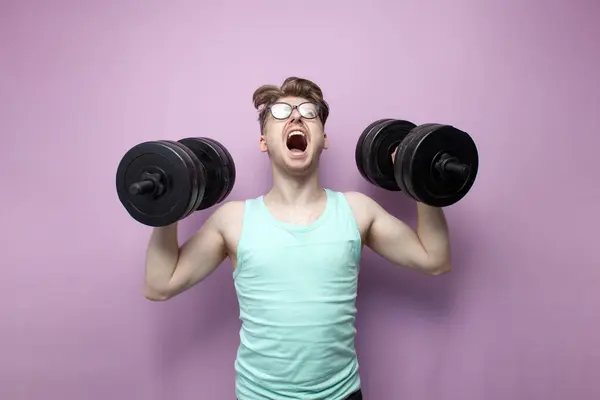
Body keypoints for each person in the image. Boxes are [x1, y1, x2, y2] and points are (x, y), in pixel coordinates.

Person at [143, 77, 452, 400]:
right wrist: (170, 204)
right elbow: (160, 284)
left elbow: (434, 259)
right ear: (264, 141)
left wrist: (418, 174)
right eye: (280, 112)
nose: (295, 117)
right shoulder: (234, 220)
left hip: (341, 395)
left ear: (323, 138)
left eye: (309, 112)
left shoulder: (356, 211)